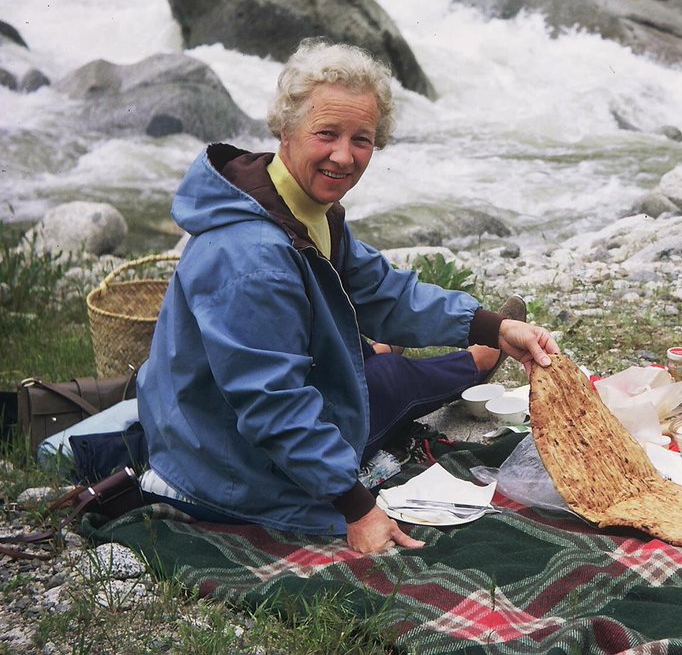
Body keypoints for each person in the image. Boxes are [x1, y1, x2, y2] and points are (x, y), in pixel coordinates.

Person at [136, 38, 558, 553]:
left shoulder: (302, 205)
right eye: (327, 134)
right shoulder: (252, 257)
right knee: (389, 384)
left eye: (362, 139)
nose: (344, 156)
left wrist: (494, 325)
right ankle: (462, 364)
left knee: (374, 371)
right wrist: (355, 508)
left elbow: (381, 293)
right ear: (284, 129)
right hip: (229, 465)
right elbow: (273, 403)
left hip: (217, 433)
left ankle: (463, 353)